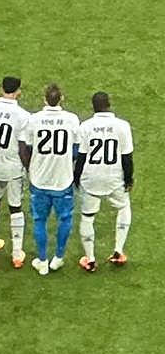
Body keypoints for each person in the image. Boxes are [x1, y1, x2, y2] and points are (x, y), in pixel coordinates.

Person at [18, 84, 80, 276]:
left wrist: (30, 168)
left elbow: (23, 148)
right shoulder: (71, 119)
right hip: (63, 180)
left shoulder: (33, 120)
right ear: (61, 98)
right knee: (65, 219)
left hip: (39, 179)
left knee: (39, 220)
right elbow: (76, 150)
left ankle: (42, 260)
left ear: (45, 99)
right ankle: (58, 258)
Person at [75, 91, 133, 270]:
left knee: (87, 217)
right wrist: (128, 178)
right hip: (114, 177)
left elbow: (81, 156)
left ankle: (90, 259)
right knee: (123, 208)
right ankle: (118, 250)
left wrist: (76, 178)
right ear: (109, 104)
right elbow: (127, 157)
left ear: (93, 106)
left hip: (90, 178)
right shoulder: (122, 126)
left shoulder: (85, 126)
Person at [0, 76, 30, 267]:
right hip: (13, 167)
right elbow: (23, 146)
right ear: (18, 91)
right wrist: (28, 168)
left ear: (0, 88)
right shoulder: (24, 115)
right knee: (15, 207)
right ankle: (17, 254)